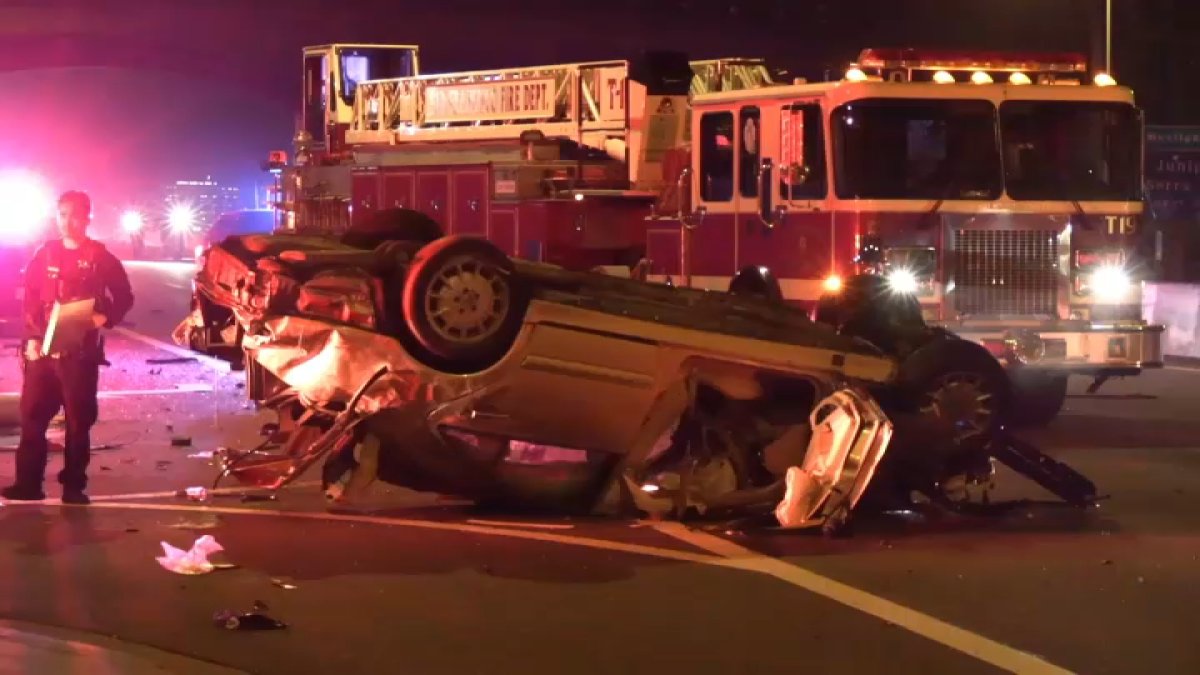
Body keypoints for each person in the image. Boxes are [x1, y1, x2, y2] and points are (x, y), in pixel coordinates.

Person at [2, 190, 134, 504]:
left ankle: (74, 487)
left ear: (87, 217)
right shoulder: (45, 255)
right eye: (62, 214)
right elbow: (31, 300)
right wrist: (32, 339)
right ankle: (28, 484)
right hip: (43, 353)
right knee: (32, 418)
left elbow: (124, 296)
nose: (67, 221)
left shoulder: (100, 257)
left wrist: (106, 317)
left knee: (78, 421)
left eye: (74, 214)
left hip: (79, 354)